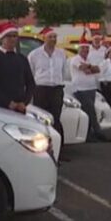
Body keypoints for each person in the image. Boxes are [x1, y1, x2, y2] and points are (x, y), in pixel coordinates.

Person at [28, 26, 71, 160]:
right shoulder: (34, 54)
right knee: (41, 120)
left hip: (56, 89)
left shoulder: (61, 54)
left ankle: (59, 151)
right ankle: (43, 149)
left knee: (56, 120)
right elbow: (31, 73)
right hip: (41, 89)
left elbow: (65, 72)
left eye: (54, 37)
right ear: (44, 39)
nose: (53, 39)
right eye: (50, 37)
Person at [0, 22, 35, 114]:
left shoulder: (22, 59)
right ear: (2, 39)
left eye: (14, 36)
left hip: (20, 108)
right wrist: (8, 103)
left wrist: (24, 102)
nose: (12, 39)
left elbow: (30, 83)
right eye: (9, 36)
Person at [68, 38, 111, 143]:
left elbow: (97, 69)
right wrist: (91, 68)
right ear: (79, 49)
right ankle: (97, 133)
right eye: (83, 48)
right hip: (81, 89)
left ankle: (88, 134)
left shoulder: (88, 60)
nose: (85, 50)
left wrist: (90, 67)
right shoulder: (75, 59)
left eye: (87, 48)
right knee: (90, 112)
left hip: (91, 88)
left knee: (89, 112)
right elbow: (85, 70)